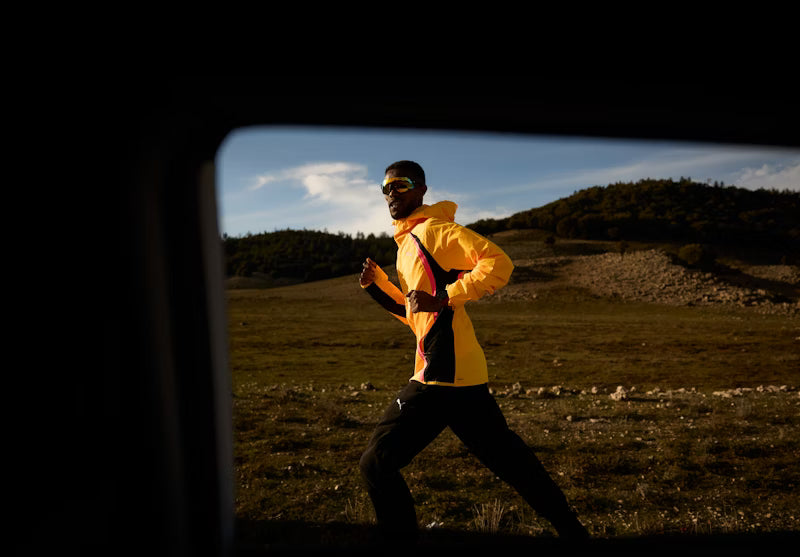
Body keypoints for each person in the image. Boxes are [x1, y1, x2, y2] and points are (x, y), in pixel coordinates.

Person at [358, 160, 589, 544]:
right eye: (385, 188)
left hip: (440, 376)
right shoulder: (407, 245)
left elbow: (499, 264)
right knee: (514, 464)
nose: (391, 194)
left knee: (376, 463)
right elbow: (416, 315)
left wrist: (446, 296)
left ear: (421, 190)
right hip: (461, 378)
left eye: (400, 185)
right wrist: (376, 285)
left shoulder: (434, 232)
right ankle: (574, 533)